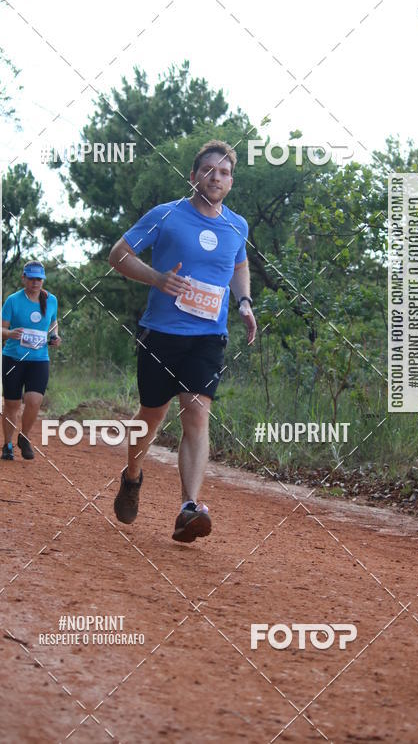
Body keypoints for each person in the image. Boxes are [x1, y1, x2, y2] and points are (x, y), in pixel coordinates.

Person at [109, 140, 257, 543]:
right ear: (193, 177)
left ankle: (189, 507)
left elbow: (238, 264)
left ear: (231, 182)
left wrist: (243, 301)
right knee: (152, 416)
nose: (217, 178)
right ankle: (132, 476)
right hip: (161, 333)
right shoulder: (167, 215)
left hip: (208, 336)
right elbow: (118, 254)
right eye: (209, 170)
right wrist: (157, 278)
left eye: (225, 173)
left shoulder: (236, 225)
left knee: (196, 411)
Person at [1, 260, 61, 461]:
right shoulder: (13, 300)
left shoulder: (51, 299)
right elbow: (0, 329)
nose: (35, 282)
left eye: (39, 279)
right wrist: (9, 333)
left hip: (39, 359)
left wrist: (54, 337)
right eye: (32, 278)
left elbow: (53, 323)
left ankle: (24, 436)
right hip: (13, 358)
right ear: (23, 278)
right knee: (12, 404)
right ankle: (7, 444)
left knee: (34, 400)